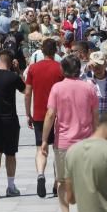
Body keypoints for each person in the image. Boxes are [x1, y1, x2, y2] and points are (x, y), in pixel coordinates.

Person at [40, 56, 99, 212]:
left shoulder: (57, 88)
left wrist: (44, 140)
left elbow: (50, 115)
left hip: (64, 142)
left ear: (62, 70)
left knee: (62, 182)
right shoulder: (89, 88)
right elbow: (95, 115)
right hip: (86, 141)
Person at [24, 39, 64, 198]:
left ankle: (40, 174)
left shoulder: (33, 68)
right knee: (58, 149)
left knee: (40, 147)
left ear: (42, 50)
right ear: (55, 50)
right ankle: (56, 182)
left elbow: (27, 93)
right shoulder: (60, 68)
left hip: (39, 114)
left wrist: (28, 113)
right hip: (58, 114)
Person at [0, 50, 26, 198]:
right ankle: (10, 186)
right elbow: (25, 90)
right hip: (10, 120)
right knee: (10, 154)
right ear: (11, 62)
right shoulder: (13, 76)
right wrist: (18, 71)